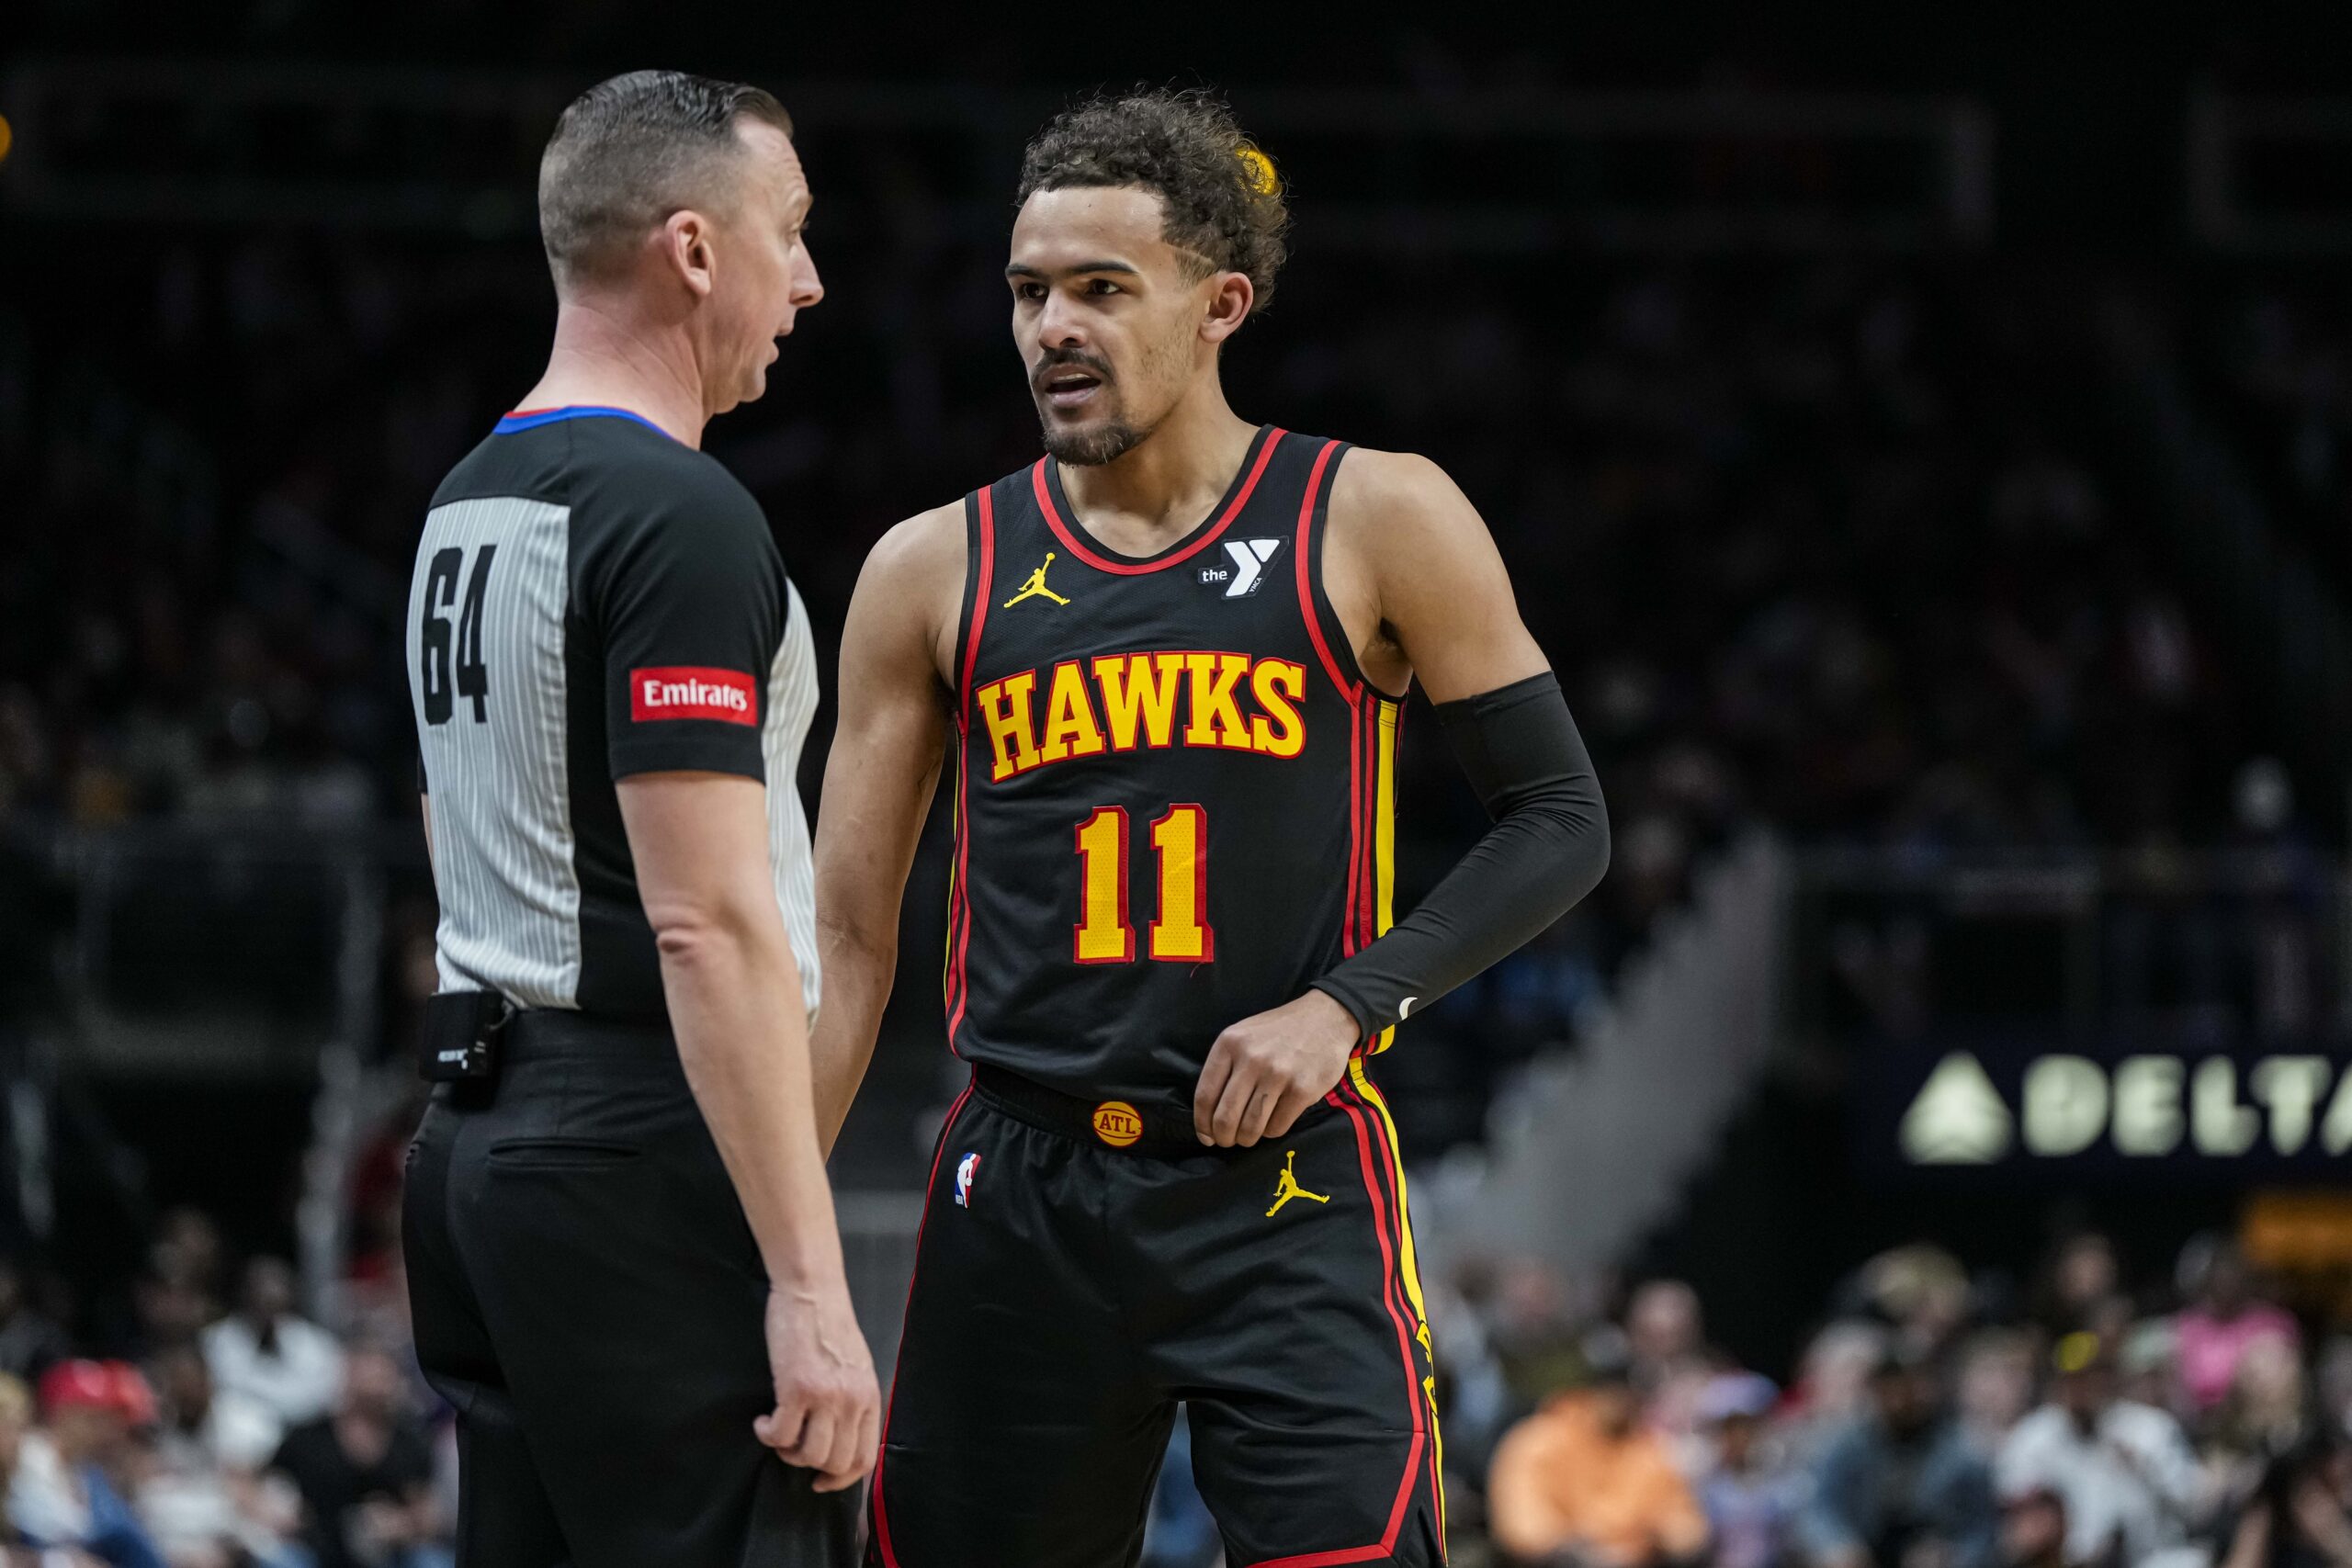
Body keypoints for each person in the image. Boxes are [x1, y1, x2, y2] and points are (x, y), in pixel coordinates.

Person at [812, 87, 1609, 1567]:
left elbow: (1562, 820)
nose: (1055, 324)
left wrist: (1346, 1003)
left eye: (1103, 289)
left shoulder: (1374, 512)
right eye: (1030, 290)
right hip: (1024, 1183)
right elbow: (849, 934)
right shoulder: (933, 565)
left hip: (1285, 1179)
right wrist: (788, 1241)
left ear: (1218, 303)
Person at [399, 70, 874, 1566]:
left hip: (480, 1135)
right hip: (630, 1146)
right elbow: (706, 919)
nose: (809, 278)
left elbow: (438, 822)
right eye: (788, 233)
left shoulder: (467, 495)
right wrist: (808, 1283)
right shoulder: (675, 512)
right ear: (691, 248)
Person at [1996, 1333, 2205, 1568]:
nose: (2082, 1389)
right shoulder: (2032, 1439)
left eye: (2091, 1377)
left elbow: (2194, 1502)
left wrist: (2145, 1467)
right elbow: (2017, 1517)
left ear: (2109, 1378)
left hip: (2151, 1558)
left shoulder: (2148, 1429)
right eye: (2073, 1379)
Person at [1487, 1364, 1710, 1567]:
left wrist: (1669, 1539)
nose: (1620, 1402)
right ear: (1590, 1393)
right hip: (1561, 1559)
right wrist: (1567, 1549)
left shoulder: (1648, 1450)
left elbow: (1682, 1521)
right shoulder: (1539, 1441)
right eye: (1612, 1392)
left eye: (1629, 1395)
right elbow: (1522, 1519)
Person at [1799, 1348, 2000, 1568]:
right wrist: (1837, 1546)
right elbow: (1819, 1509)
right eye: (1892, 1386)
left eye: (1912, 1385)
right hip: (1863, 1549)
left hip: (1931, 1550)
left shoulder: (1964, 1451)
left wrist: (1955, 1558)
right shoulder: (1847, 1444)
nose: (1902, 1398)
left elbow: (1983, 1529)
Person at [268, 1348, 438, 1568]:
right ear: (347, 1377)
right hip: (315, 1550)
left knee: (432, 1561)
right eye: (368, 1377)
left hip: (390, 1555)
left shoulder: (409, 1443)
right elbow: (256, 1479)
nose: (376, 1387)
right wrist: (277, 1511)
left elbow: (427, 1515)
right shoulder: (309, 1438)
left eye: (382, 1378)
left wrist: (400, 1525)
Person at [11, 1361, 167, 1568]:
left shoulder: (88, 1473)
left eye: (106, 1419)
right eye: (92, 1418)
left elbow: (134, 1546)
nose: (104, 1430)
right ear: (62, 1413)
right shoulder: (23, 1458)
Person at [198, 1260, 340, 1430]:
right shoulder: (216, 1341)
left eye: (274, 1299)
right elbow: (227, 1392)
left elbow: (321, 1396)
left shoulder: (317, 1343)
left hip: (303, 1432)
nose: (267, 1306)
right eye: (261, 1296)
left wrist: (263, 1400)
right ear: (246, 1296)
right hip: (241, 1436)